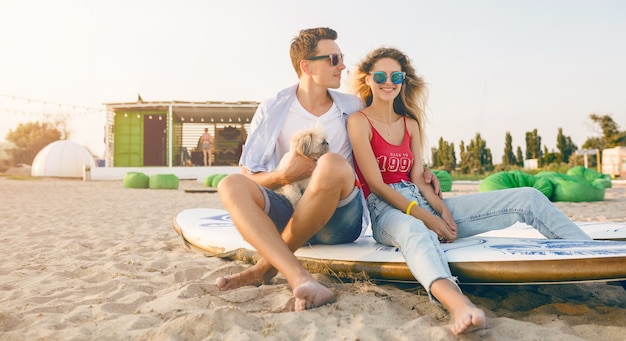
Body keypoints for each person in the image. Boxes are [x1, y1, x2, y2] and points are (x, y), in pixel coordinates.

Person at [346, 47, 592, 335]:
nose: (388, 82)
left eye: (396, 76)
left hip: (420, 201)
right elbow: (375, 184)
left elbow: (417, 177)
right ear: (367, 79)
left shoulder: (409, 123)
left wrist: (442, 209)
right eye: (380, 75)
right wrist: (428, 219)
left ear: (404, 80)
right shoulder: (358, 121)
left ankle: (599, 260)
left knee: (528, 197)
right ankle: (459, 305)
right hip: (386, 210)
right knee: (417, 232)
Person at [215, 27, 441, 312]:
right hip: (290, 207)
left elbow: (384, 149)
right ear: (306, 66)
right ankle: (300, 279)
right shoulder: (273, 108)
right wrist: (285, 176)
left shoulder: (353, 106)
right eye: (333, 59)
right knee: (230, 184)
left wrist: (420, 172)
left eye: (341, 57)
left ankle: (264, 268)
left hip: (339, 219)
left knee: (332, 163)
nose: (343, 66)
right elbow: (250, 176)